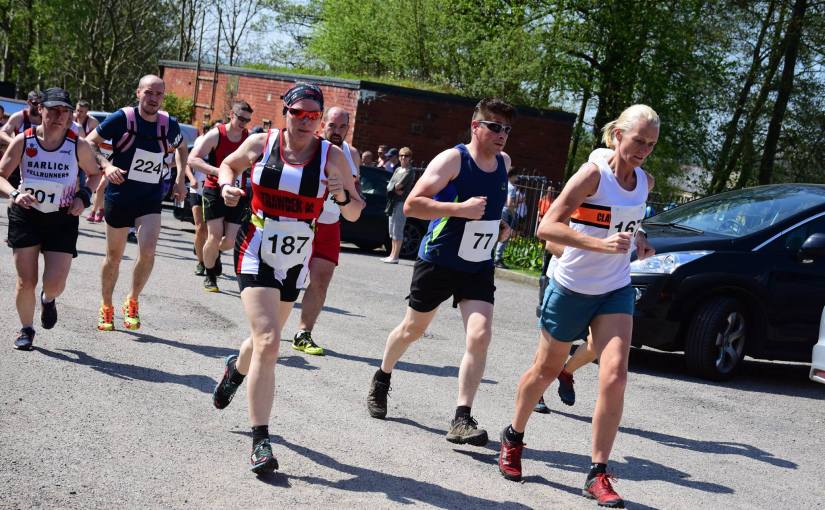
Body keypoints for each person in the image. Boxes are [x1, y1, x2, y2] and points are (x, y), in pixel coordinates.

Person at [498, 105, 659, 509]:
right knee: (545, 371)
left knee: (615, 375)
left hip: (615, 289)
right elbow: (546, 227)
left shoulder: (645, 182)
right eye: (638, 140)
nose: (643, 150)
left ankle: (597, 472)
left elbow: (629, 220)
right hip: (571, 286)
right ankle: (514, 436)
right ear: (618, 135)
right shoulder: (592, 175)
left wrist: (638, 240)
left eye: (651, 144)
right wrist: (598, 244)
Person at [209, 83, 364, 473]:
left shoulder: (332, 157)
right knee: (269, 340)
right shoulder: (264, 142)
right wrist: (228, 184)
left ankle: (236, 369)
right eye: (299, 113)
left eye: (314, 115)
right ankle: (261, 440)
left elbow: (356, 212)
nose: (307, 121)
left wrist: (342, 196)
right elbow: (230, 164)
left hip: (295, 257)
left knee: (263, 341)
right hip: (256, 245)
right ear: (287, 113)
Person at [366, 98, 514, 447]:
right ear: (476, 126)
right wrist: (459, 209)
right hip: (439, 259)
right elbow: (414, 204)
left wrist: (500, 226)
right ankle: (382, 377)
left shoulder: (504, 163)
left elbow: (488, 212)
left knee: (480, 335)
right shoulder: (453, 159)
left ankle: (462, 417)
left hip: (477, 264)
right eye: (494, 126)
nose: (502, 134)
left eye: (507, 129)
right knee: (412, 329)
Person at [0, 88, 101, 350]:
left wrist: (83, 197)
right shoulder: (24, 140)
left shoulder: (77, 145)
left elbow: (94, 174)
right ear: (40, 110)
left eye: (64, 111)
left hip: (62, 217)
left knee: (54, 284)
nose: (59, 116)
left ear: (69, 116)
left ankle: (48, 299)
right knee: (26, 281)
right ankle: (26, 329)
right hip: (27, 215)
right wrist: (14, 192)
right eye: (53, 110)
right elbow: (1, 174)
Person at [86, 74, 187, 331]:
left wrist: (180, 179)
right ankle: (106, 304)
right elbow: (89, 143)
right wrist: (106, 166)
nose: (153, 99)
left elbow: (182, 147)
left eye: (159, 94)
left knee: (149, 250)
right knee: (114, 256)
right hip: (120, 195)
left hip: (150, 197)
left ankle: (132, 299)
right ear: (138, 93)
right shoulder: (123, 118)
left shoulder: (168, 124)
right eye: (148, 93)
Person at [291, 106, 361, 356]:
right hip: (299, 222)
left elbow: (355, 192)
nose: (337, 131)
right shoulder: (310, 147)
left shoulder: (352, 154)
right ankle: (269, 326)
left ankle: (303, 333)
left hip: (330, 223)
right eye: (332, 126)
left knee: (320, 281)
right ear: (322, 125)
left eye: (343, 127)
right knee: (286, 277)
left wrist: (347, 199)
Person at [188, 100, 253, 292]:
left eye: (247, 120)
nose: (243, 123)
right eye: (240, 118)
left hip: (238, 192)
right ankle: (210, 274)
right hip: (214, 189)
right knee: (214, 236)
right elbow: (193, 159)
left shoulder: (248, 138)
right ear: (231, 115)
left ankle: (210, 254)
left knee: (231, 241)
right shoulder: (217, 134)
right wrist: (218, 172)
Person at [0, 91, 43, 190]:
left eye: (41, 104)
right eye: (35, 103)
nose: (38, 107)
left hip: (39, 161)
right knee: (15, 189)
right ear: (28, 102)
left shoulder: (46, 117)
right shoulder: (19, 116)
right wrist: (14, 142)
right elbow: (3, 132)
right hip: (19, 159)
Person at [185, 123, 212, 276]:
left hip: (212, 192)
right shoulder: (198, 145)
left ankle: (208, 255)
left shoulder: (218, 149)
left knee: (209, 231)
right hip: (197, 189)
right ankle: (201, 263)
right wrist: (190, 178)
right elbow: (187, 163)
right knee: (200, 228)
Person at [381, 146, 415, 263]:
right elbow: (390, 185)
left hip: (401, 202)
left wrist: (393, 187)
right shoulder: (397, 170)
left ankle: (395, 256)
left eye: (406, 156)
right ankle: (391, 254)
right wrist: (393, 188)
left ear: (410, 158)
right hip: (393, 201)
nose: (403, 158)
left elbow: (399, 185)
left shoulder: (410, 171)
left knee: (398, 229)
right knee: (391, 229)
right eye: (401, 155)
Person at [493, 169, 522, 268]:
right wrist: (514, 213)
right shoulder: (512, 188)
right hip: (506, 212)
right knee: (505, 234)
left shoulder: (503, 184)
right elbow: (510, 203)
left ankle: (492, 255)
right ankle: (498, 258)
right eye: (516, 176)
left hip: (499, 210)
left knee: (496, 233)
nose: (517, 178)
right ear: (512, 176)